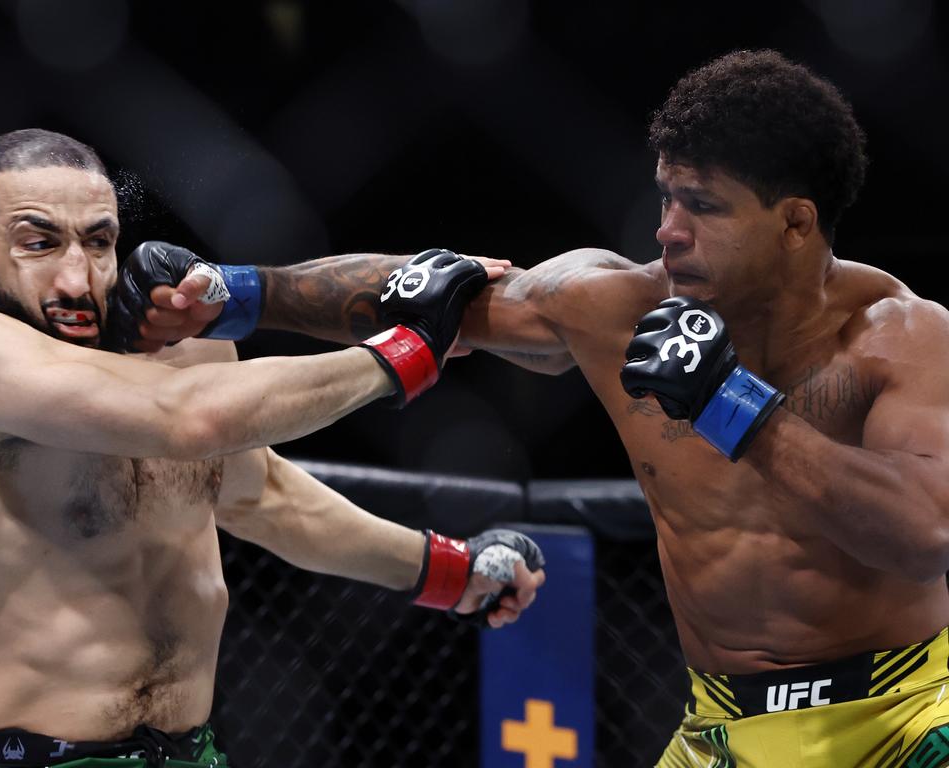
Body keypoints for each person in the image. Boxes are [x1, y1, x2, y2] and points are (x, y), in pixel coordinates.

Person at [118, 49, 949, 767]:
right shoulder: (617, 306)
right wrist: (234, 295)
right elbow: (422, 292)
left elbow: (924, 536)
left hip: (905, 717)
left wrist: (736, 409)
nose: (667, 231)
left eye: (702, 205)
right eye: (665, 197)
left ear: (796, 223)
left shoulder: (899, 340)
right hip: (722, 725)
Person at [0, 128, 547, 768]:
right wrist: (408, 348)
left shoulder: (186, 352)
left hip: (193, 753)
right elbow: (186, 418)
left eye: (99, 241)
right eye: (39, 244)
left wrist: (451, 572)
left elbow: (265, 498)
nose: (79, 278)